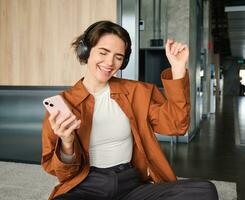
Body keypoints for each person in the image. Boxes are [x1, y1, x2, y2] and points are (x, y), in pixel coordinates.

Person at [41, 20, 218, 200]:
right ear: (85, 51)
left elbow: (176, 125)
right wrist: (67, 143)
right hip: (87, 185)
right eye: (103, 52)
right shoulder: (64, 104)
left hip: (131, 184)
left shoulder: (137, 92)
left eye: (118, 57)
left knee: (204, 191)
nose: (110, 62)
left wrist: (178, 68)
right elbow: (63, 174)